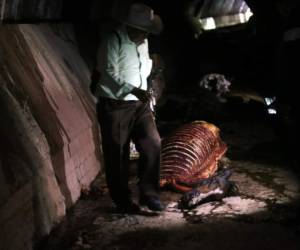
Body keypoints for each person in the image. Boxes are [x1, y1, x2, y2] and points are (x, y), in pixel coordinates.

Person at [94, 3, 165, 213]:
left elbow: (144, 68)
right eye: (143, 31)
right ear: (130, 27)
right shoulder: (112, 40)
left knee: (153, 143)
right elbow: (108, 73)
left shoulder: (143, 42)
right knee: (117, 154)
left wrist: (151, 76)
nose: (146, 36)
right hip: (115, 104)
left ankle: (149, 193)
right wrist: (133, 90)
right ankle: (122, 200)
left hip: (139, 104)